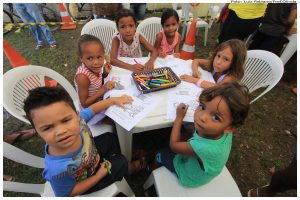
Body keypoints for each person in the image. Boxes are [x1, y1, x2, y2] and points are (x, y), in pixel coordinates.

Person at [23, 87, 148, 197]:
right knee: (120, 162)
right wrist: (98, 175)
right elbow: (68, 193)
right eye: (48, 128)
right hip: (90, 178)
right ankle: (130, 168)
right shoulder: (57, 169)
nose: (61, 131)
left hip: (91, 155)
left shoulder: (80, 120)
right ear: (36, 131)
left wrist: (113, 100)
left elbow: (93, 109)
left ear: (77, 116)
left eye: (66, 120)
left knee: (110, 138)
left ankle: (127, 154)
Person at [154, 82, 250, 187]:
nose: (202, 117)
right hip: (201, 166)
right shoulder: (224, 130)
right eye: (202, 106)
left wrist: (179, 118)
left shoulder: (203, 148)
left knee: (160, 152)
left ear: (230, 128)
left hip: (189, 176)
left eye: (216, 117)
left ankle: (150, 166)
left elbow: (173, 145)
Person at [74, 34, 115, 125]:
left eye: (99, 57)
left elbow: (96, 82)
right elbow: (84, 103)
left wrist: (105, 74)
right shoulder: (83, 77)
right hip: (91, 110)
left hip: (100, 99)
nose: (96, 62)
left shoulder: (95, 67)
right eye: (90, 58)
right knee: (116, 120)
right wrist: (104, 89)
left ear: (103, 55)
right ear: (81, 58)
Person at [180, 39, 247, 89]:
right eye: (218, 55)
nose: (218, 62)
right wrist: (195, 71)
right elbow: (196, 61)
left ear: (234, 63)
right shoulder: (214, 63)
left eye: (226, 59)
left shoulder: (231, 77)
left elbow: (217, 87)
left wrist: (194, 80)